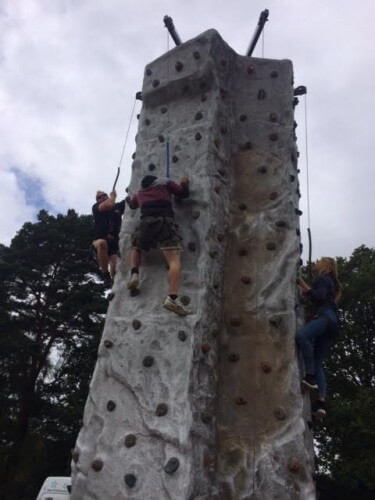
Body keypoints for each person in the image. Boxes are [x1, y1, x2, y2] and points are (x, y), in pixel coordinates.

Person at [126, 175, 191, 316]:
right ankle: (172, 298)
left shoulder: (139, 192)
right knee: (174, 261)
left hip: (145, 224)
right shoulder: (166, 182)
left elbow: (132, 205)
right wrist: (184, 183)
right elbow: (183, 194)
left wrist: (127, 198)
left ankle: (134, 274)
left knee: (136, 247)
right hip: (164, 222)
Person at [296, 257, 342, 419]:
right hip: (332, 324)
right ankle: (321, 403)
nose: (316, 261)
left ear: (326, 267)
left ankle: (310, 376)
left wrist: (302, 284)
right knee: (318, 363)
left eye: (319, 260)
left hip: (324, 318)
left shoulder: (322, 278)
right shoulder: (331, 282)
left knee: (302, 336)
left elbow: (319, 296)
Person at [92, 190, 125, 286]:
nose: (102, 197)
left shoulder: (117, 207)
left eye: (104, 195)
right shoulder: (96, 207)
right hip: (100, 239)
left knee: (115, 266)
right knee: (102, 243)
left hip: (114, 242)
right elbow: (107, 205)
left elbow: (128, 201)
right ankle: (105, 275)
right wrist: (113, 197)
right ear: (97, 200)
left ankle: (114, 285)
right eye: (99, 197)